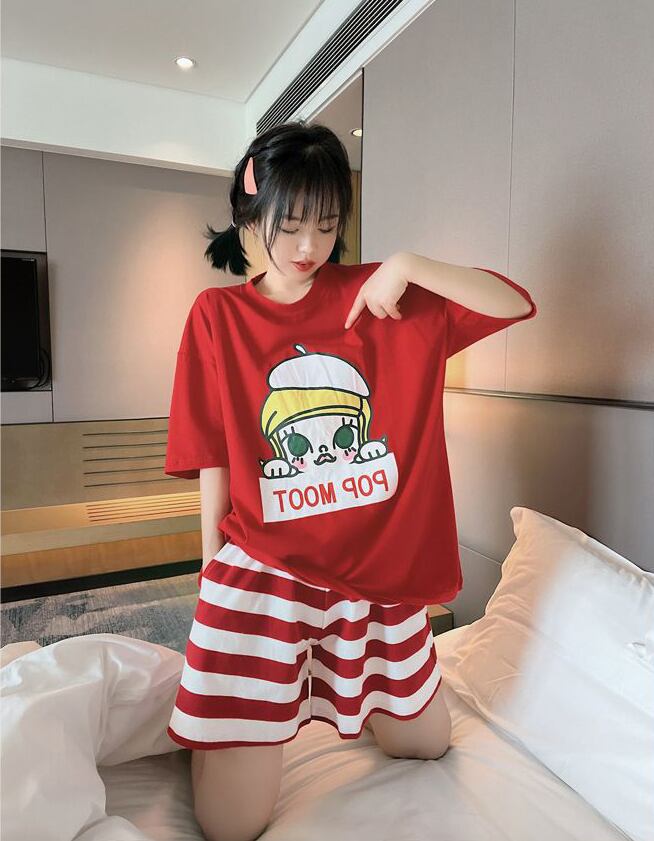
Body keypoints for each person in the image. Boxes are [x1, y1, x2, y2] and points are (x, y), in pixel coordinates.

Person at [164, 119, 537, 841]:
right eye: (290, 225)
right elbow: (213, 452)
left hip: (375, 575)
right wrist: (210, 575)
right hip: (266, 571)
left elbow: (513, 301)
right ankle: (224, 721)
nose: (309, 246)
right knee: (230, 825)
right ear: (252, 214)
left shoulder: (381, 295)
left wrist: (409, 264)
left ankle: (333, 693)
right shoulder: (218, 314)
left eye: (327, 225)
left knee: (425, 744)